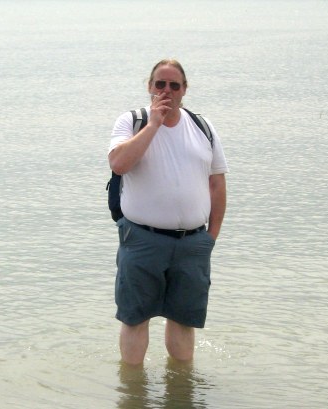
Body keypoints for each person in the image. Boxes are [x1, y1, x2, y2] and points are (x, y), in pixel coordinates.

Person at [108, 59, 228, 365]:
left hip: (192, 243)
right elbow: (119, 164)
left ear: (184, 90)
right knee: (135, 318)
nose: (167, 91)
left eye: (174, 85)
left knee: (183, 319)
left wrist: (210, 238)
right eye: (160, 84)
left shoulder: (203, 127)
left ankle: (181, 391)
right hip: (142, 239)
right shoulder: (131, 122)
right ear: (149, 86)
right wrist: (154, 125)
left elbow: (216, 183)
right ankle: (133, 391)